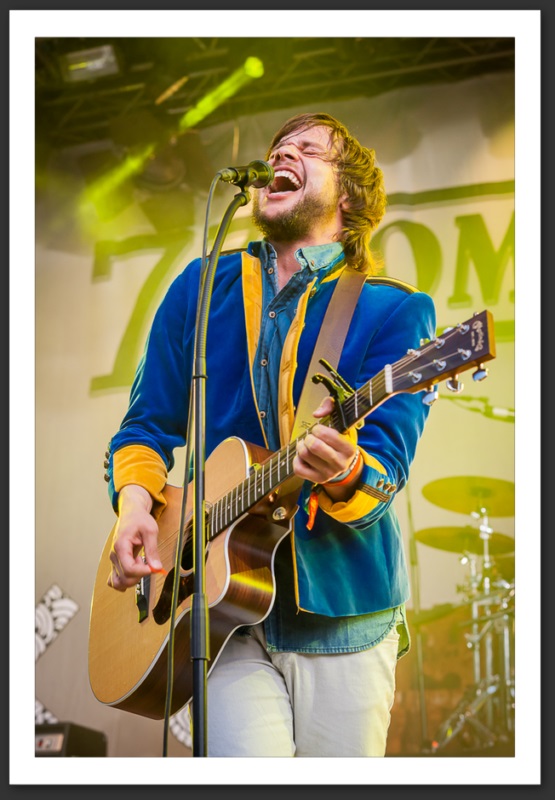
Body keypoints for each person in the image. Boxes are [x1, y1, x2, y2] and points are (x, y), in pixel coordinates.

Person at [104, 111, 437, 757]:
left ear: (348, 195)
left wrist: (343, 470)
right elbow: (144, 426)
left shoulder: (394, 309)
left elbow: (384, 471)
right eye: (279, 146)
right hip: (217, 613)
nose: (283, 153)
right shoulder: (201, 286)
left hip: (341, 610)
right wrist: (135, 505)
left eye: (308, 149)